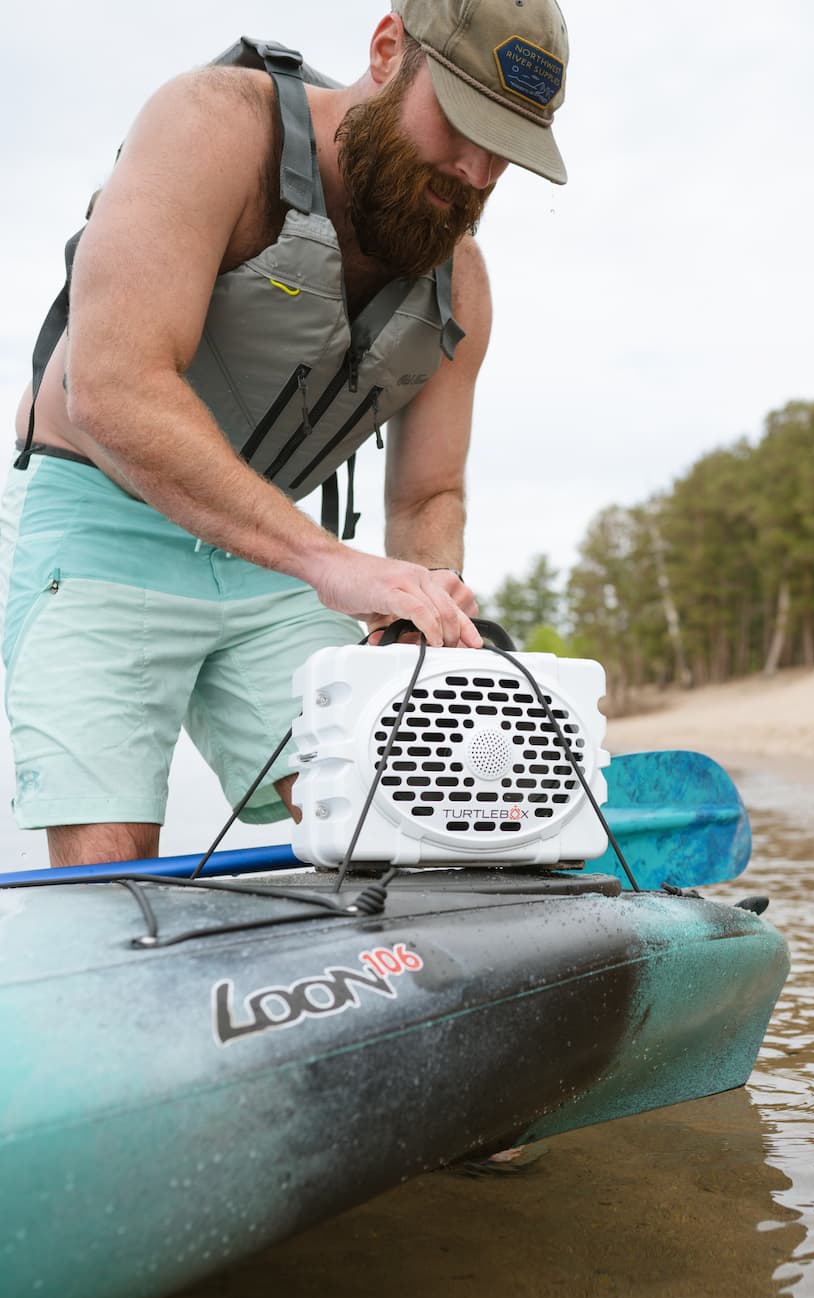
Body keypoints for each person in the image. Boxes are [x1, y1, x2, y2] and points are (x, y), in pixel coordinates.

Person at [1, 0, 570, 868]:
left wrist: (424, 613)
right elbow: (111, 391)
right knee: (111, 867)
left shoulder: (464, 286)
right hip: (100, 520)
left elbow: (428, 493)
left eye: (508, 148)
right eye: (462, 123)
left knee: (394, 819)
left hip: (272, 552)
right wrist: (330, 562)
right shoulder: (213, 123)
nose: (477, 170)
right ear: (388, 51)